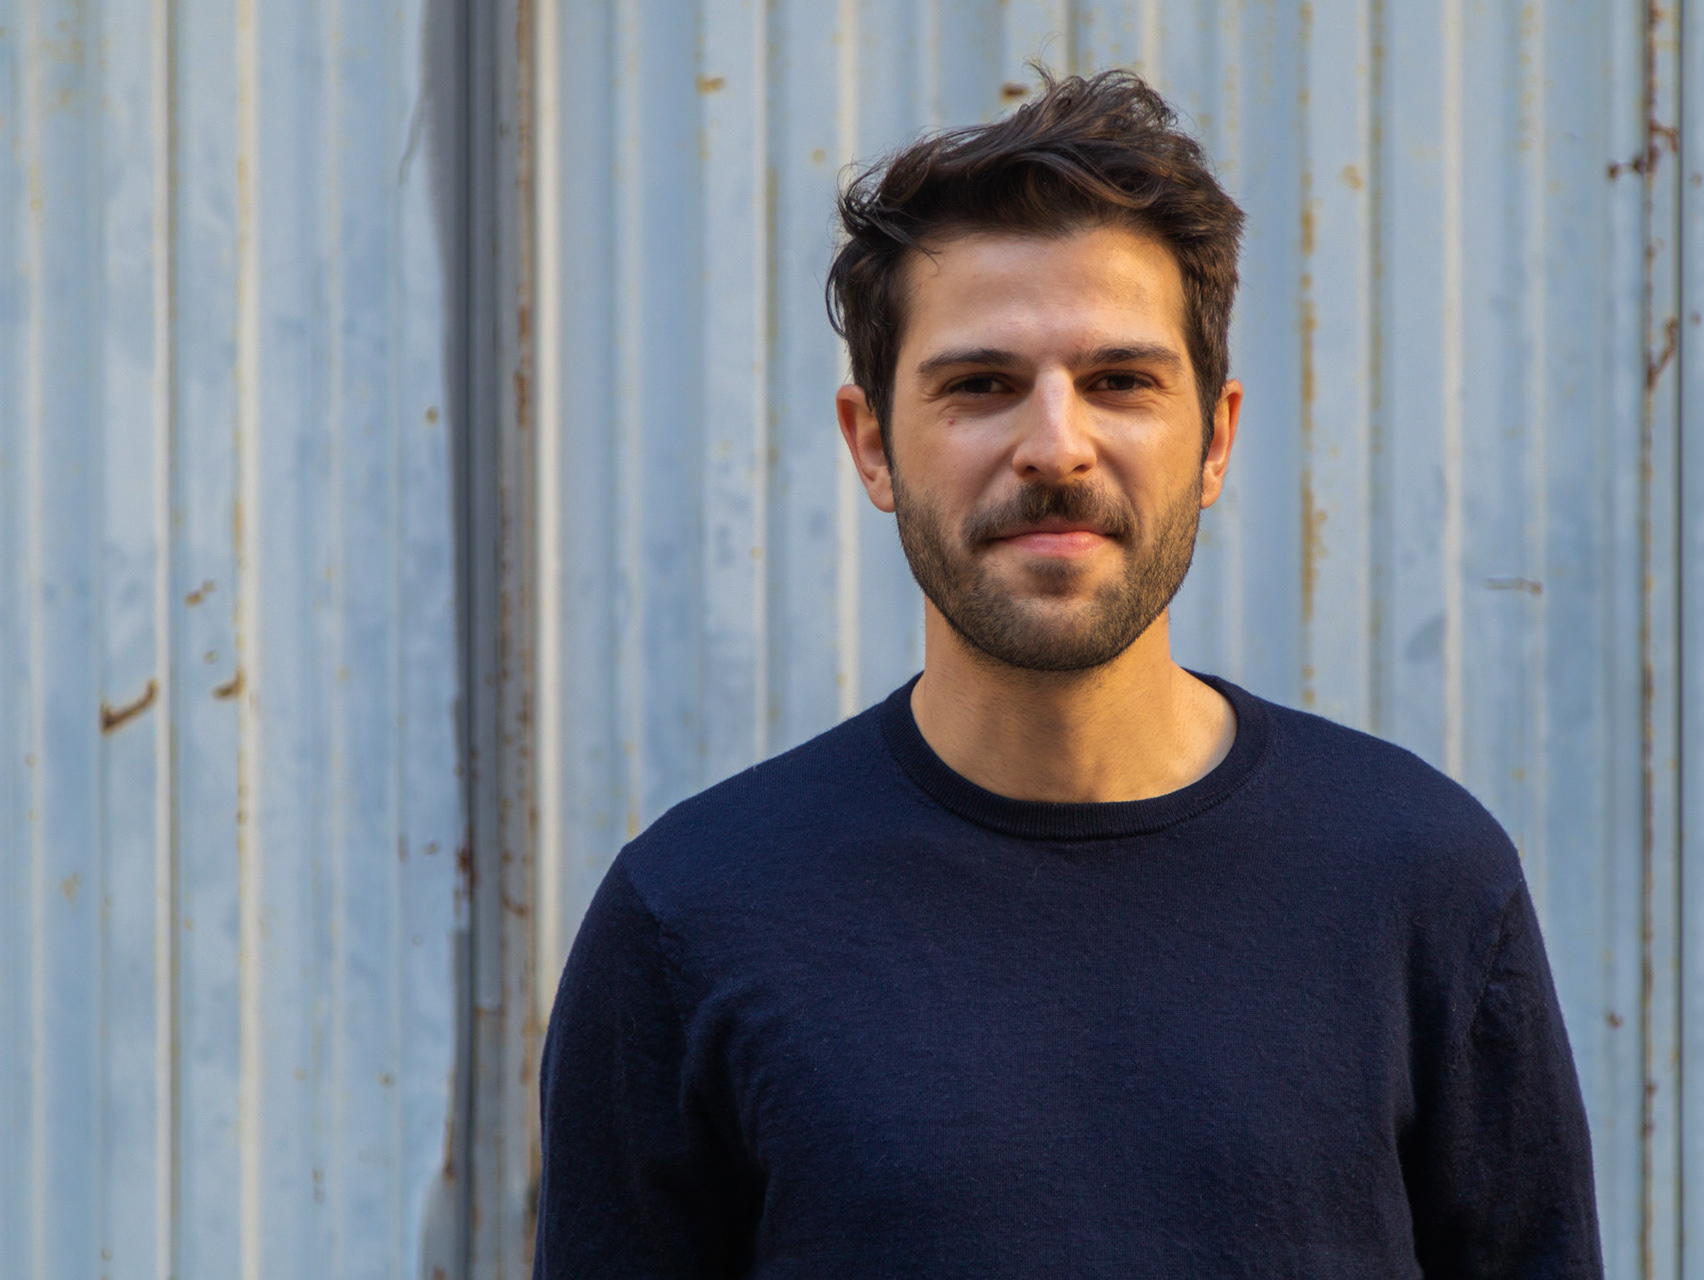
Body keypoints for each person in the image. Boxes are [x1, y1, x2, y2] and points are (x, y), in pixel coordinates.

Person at [533, 70, 1601, 1278]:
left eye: (1120, 382)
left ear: (1216, 439)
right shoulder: (691, 916)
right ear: (873, 442)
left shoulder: (1422, 881)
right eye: (981, 384)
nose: (1055, 445)